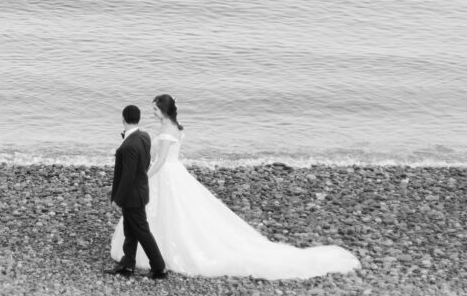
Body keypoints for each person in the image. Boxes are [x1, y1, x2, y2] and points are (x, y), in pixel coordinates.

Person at [109, 94, 360, 279]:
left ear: (162, 111)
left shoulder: (164, 130)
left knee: (156, 218)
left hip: (165, 175)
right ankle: (136, 260)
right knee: (173, 216)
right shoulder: (176, 128)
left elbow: (161, 161)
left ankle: (157, 263)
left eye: (154, 109)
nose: (152, 113)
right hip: (177, 173)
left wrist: (144, 175)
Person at [106, 104, 167, 279]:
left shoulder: (128, 146)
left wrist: (117, 199)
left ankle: (159, 267)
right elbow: (145, 162)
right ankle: (127, 264)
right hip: (140, 191)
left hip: (132, 195)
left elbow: (128, 177)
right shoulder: (144, 136)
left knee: (142, 231)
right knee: (130, 229)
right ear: (138, 119)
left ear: (123, 119)